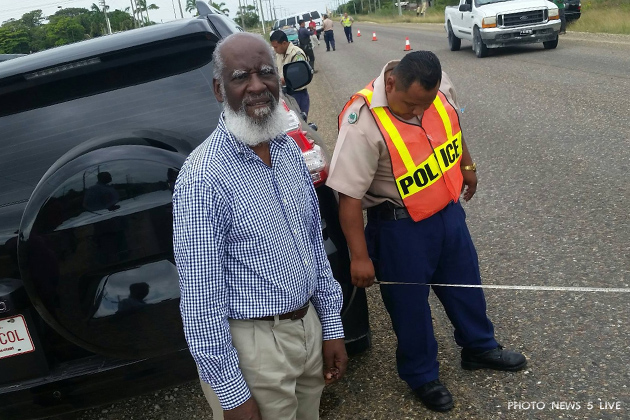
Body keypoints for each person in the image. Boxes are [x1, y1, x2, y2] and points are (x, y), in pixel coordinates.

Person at [326, 51, 526, 413]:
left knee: (466, 286)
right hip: (400, 228)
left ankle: (479, 347)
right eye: (410, 105)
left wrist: (468, 166)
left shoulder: (439, 86)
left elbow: (453, 128)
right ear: (391, 84)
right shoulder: (363, 120)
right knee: (410, 309)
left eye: (425, 104)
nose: (418, 112)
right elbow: (349, 198)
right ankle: (422, 375)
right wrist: (359, 257)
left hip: (448, 214)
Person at [173, 32, 347, 420]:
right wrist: (232, 394)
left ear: (279, 78)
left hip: (308, 327)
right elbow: (201, 302)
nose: (256, 86)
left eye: (266, 72)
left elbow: (313, 246)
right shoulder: (203, 178)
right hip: (254, 350)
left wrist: (331, 326)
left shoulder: (287, 150)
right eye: (240, 77)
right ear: (219, 89)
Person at [270, 30, 311, 116]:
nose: (274, 49)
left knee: (299, 120)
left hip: (298, 95)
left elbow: (299, 76)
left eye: (276, 47)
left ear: (284, 43)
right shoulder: (279, 54)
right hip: (285, 94)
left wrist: (278, 81)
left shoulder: (296, 54)